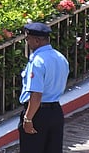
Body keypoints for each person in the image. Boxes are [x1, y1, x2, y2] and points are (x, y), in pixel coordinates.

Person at [18, 21, 69, 152]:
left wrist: (28, 119)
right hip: (56, 111)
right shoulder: (60, 57)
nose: (27, 43)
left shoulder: (37, 61)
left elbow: (36, 95)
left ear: (36, 41)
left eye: (28, 39)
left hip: (38, 113)